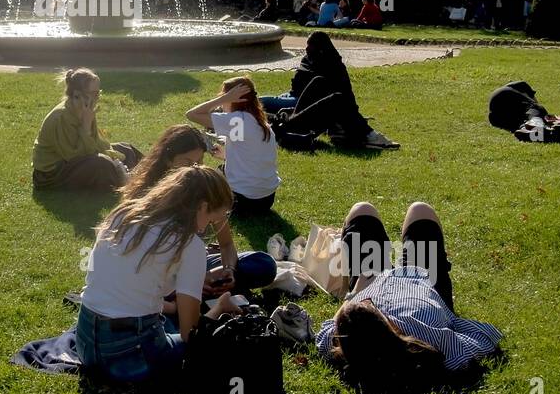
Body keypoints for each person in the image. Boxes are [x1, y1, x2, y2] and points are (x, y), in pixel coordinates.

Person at [314, 201, 502, 394]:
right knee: (420, 210)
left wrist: (355, 294)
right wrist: (449, 319)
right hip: (424, 276)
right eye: (367, 304)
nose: (367, 301)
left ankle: (359, 275)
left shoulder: (345, 344)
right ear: (386, 324)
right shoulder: (429, 337)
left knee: (362, 210)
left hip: (369, 275)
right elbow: (486, 337)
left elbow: (327, 330)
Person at [76, 165, 237, 382]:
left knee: (167, 322)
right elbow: (190, 334)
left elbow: (124, 280)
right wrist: (219, 308)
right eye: (211, 220)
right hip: (128, 356)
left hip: (85, 341)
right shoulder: (189, 245)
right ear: (202, 206)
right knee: (202, 342)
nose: (206, 228)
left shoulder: (124, 214)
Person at [120, 124, 278, 297]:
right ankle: (191, 295)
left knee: (263, 264)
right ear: (168, 160)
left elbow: (226, 244)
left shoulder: (204, 187)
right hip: (156, 273)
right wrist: (189, 279)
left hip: (196, 263)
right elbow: (138, 257)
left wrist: (228, 269)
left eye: (199, 162)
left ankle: (207, 290)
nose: (194, 168)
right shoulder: (148, 197)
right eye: (187, 162)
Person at [268, 31, 400, 149]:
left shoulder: (334, 68)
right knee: (323, 86)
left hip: (313, 114)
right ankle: (368, 134)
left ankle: (365, 134)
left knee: (333, 94)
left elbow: (345, 99)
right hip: (300, 118)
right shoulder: (313, 63)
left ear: (321, 50)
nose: (307, 50)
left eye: (310, 46)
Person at [32, 69, 142, 193]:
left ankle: (149, 176)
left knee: (126, 149)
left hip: (76, 161)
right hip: (51, 175)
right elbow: (74, 156)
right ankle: (130, 183)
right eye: (94, 93)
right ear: (77, 94)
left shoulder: (86, 109)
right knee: (102, 164)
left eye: (98, 93)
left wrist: (113, 153)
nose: (97, 97)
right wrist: (85, 126)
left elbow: (96, 142)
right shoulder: (60, 117)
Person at [185, 77, 282, 213]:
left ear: (235, 99)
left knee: (200, 178)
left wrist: (222, 99)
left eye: (225, 97)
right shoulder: (259, 122)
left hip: (244, 200)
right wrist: (226, 156)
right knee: (221, 169)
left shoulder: (238, 120)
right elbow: (253, 156)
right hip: (266, 199)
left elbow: (191, 114)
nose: (221, 105)